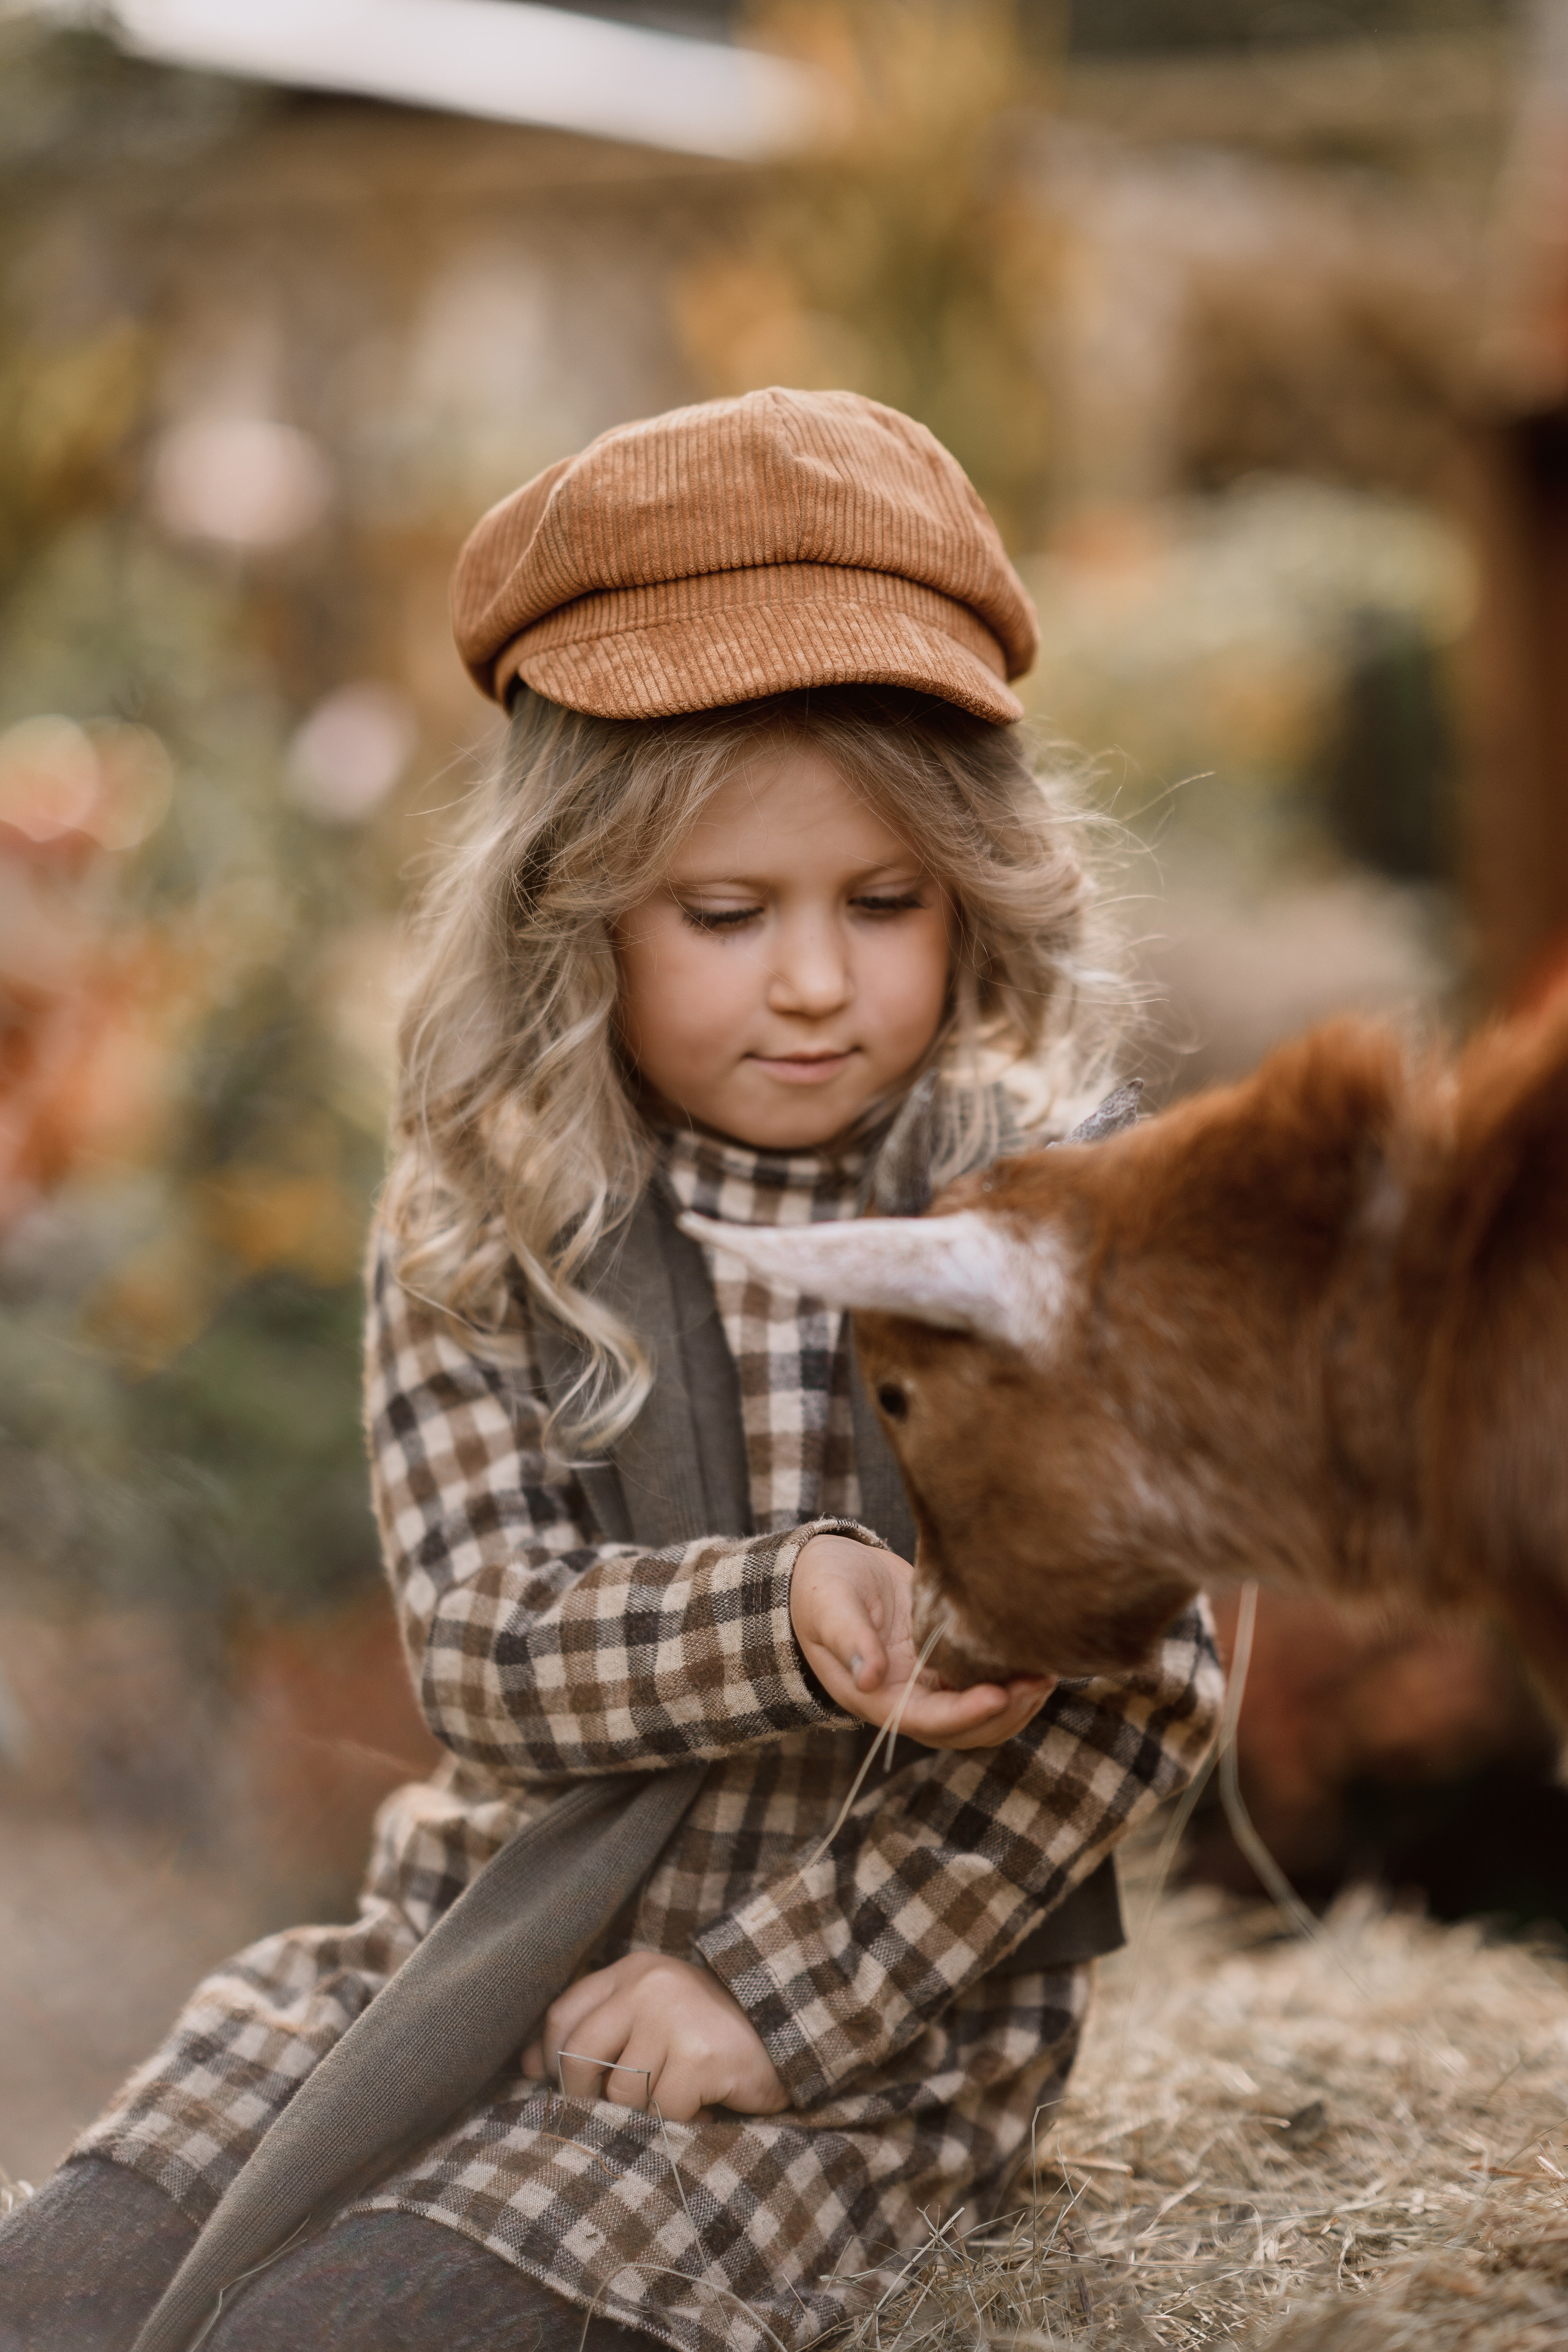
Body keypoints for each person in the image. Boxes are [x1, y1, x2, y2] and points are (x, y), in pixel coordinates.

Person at [0, 389, 1222, 2352]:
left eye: (884, 903)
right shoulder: (491, 1209)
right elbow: (481, 1644)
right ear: (575, 911)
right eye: (727, 915)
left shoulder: (1037, 1225)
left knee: (341, 2331)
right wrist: (789, 1606)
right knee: (61, 2290)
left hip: (861, 2033)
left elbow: (1141, 1694)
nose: (816, 978)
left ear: (977, 885)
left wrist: (771, 1996)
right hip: (471, 1947)